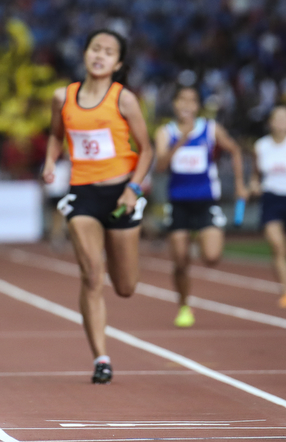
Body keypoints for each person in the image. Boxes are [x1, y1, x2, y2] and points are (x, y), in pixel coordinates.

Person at [42, 29, 153, 384]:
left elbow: (147, 149)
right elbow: (56, 134)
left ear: (118, 63)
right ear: (85, 53)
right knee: (91, 273)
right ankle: (101, 358)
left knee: (125, 286)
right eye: (95, 48)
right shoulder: (63, 96)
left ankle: (105, 338)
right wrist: (50, 161)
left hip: (121, 194)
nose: (100, 55)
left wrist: (133, 189)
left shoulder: (124, 100)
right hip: (83, 194)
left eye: (108, 51)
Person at [154, 85, 247, 326]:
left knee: (212, 256)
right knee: (180, 261)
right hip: (178, 203)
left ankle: (200, 238)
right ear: (174, 104)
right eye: (181, 100)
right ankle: (184, 307)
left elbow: (235, 150)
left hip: (206, 201)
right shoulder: (166, 132)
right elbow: (161, 166)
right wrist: (180, 141)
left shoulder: (209, 129)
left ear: (197, 106)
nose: (186, 105)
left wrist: (239, 184)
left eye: (191, 101)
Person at [251, 106, 286, 308]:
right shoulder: (261, 146)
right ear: (270, 122)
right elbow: (256, 175)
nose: (282, 122)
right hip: (271, 198)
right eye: (278, 118)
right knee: (277, 245)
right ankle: (285, 291)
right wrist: (254, 184)